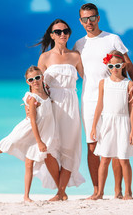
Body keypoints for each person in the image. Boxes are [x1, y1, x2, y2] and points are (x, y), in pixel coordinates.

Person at [0, 66, 60, 202]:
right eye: (31, 79)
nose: (35, 81)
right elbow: (32, 121)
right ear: (27, 82)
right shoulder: (32, 98)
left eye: (37, 78)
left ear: (42, 77)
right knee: (1, 148)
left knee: (29, 163)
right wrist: (39, 141)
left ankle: (26, 196)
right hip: (26, 131)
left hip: (38, 133)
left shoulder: (46, 93)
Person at [73, 3, 133, 199]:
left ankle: (118, 191)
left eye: (92, 18)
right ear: (80, 21)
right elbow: (72, 69)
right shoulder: (79, 44)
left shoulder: (112, 39)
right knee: (93, 145)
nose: (89, 22)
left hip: (114, 98)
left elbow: (128, 65)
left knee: (117, 144)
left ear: (98, 18)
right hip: (89, 100)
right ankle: (97, 191)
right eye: (85, 19)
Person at [36, 19, 85, 201]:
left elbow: (89, 78)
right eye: (58, 31)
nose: (62, 34)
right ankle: (61, 191)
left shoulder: (76, 55)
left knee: (69, 148)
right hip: (51, 105)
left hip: (71, 105)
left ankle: (60, 193)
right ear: (52, 35)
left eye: (65, 30)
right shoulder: (45, 57)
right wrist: (32, 105)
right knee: (48, 149)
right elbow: (36, 84)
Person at [90, 51, 133, 200]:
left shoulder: (128, 84)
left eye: (118, 65)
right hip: (107, 123)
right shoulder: (103, 83)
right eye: (111, 66)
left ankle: (128, 192)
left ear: (123, 65)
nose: (114, 68)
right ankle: (100, 193)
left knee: (123, 159)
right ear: (107, 66)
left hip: (123, 123)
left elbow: (131, 108)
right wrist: (94, 126)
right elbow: (99, 105)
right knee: (104, 158)